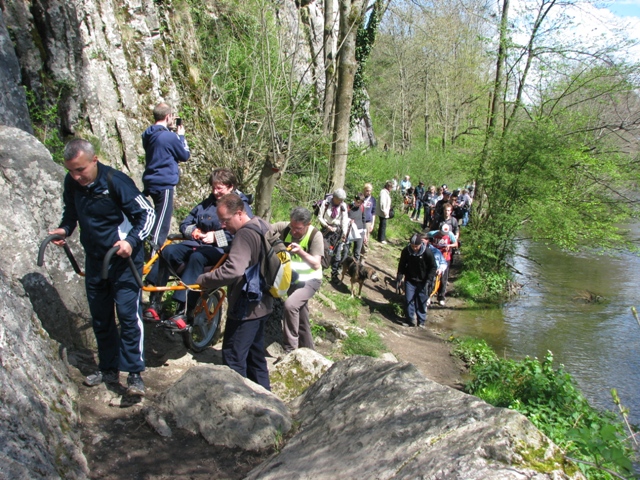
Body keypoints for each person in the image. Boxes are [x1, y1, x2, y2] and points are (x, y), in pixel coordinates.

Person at [49, 139, 155, 395]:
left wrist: (131, 241)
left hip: (124, 259)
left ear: (94, 161)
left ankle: (134, 373)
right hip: (96, 259)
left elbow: (148, 214)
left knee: (129, 316)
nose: (76, 176)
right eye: (71, 171)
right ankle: (108, 368)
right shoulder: (72, 182)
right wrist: (64, 229)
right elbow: (71, 213)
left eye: (80, 170)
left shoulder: (115, 181)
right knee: (101, 317)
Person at [144, 168, 252, 325]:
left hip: (220, 250)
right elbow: (185, 223)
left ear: (230, 187)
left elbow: (241, 233)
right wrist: (192, 231)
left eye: (219, 188)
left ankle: (182, 310)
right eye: (213, 187)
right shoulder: (206, 204)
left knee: (197, 257)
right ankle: (154, 303)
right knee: (167, 251)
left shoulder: (240, 206)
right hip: (195, 243)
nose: (215, 192)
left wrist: (216, 236)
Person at [196, 194, 272, 390]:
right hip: (263, 304)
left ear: (239, 213)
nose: (222, 225)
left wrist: (205, 279)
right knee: (256, 359)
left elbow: (234, 269)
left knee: (233, 358)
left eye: (225, 220)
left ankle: (239, 409)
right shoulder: (262, 224)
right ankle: (268, 404)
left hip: (245, 308)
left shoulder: (244, 234)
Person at [271, 207, 324, 353]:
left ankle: (290, 350)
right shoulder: (286, 228)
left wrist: (300, 251)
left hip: (310, 280)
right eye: (292, 227)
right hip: (292, 280)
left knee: (290, 305)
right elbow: (266, 229)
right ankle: (309, 351)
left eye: (298, 229)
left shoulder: (315, 235)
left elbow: (316, 264)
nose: (294, 231)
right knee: (302, 316)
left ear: (308, 224)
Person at [142, 103, 190, 253]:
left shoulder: (148, 133)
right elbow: (184, 155)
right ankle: (154, 251)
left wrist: (169, 130)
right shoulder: (170, 137)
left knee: (156, 214)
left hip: (151, 179)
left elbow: (160, 146)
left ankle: (151, 246)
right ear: (168, 116)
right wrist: (180, 136)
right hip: (164, 181)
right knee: (163, 219)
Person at [396, 233, 437, 327]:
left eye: (416, 246)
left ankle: (421, 321)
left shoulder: (427, 252)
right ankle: (410, 320)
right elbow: (402, 264)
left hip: (423, 281)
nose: (414, 248)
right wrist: (400, 275)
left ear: (420, 244)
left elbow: (433, 267)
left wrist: (429, 280)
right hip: (410, 279)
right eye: (412, 246)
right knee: (408, 299)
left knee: (421, 301)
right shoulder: (406, 251)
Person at [317, 188, 349, 283]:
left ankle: (334, 274)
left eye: (342, 200)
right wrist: (327, 226)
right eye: (339, 199)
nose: (341, 201)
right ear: (334, 198)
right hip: (326, 230)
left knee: (337, 253)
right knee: (325, 250)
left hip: (337, 232)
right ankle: (320, 272)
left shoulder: (343, 206)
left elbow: (345, 221)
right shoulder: (326, 203)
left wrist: (344, 233)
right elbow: (320, 217)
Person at [427, 224, 458, 306]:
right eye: (442, 233)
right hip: (435, 258)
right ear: (439, 230)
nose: (443, 235)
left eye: (445, 233)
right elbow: (425, 237)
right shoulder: (433, 233)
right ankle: (429, 296)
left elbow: (456, 244)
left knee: (443, 279)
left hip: (445, 258)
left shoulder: (450, 234)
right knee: (432, 277)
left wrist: (449, 245)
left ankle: (441, 297)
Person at [346, 194, 366, 261]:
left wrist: (365, 233)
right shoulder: (348, 207)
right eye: (358, 202)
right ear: (354, 199)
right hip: (350, 231)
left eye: (361, 202)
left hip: (360, 232)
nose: (359, 204)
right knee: (346, 250)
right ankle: (343, 266)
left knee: (357, 252)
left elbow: (364, 219)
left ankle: (355, 268)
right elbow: (344, 218)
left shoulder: (362, 207)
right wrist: (349, 221)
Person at [361, 183, 376, 256]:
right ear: (364, 190)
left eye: (370, 191)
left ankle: (363, 258)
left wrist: (372, 224)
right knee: (358, 239)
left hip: (368, 221)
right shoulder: (359, 196)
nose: (368, 192)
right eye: (367, 191)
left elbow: (373, 213)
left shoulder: (373, 199)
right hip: (359, 220)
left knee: (365, 240)